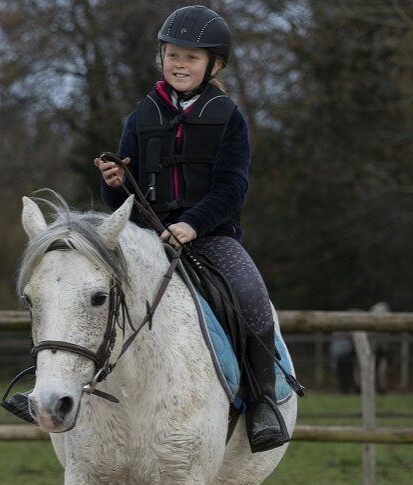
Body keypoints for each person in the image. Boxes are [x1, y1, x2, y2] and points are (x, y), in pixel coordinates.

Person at [93, 5, 289, 452]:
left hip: (212, 236)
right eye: (173, 55)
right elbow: (124, 196)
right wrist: (115, 183)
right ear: (161, 57)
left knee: (252, 296)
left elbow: (232, 186)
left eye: (192, 58)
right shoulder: (141, 116)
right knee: (84, 285)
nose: (180, 65)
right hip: (144, 235)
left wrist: (192, 225)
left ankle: (261, 404)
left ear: (214, 65)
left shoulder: (228, 117)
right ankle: (56, 384)